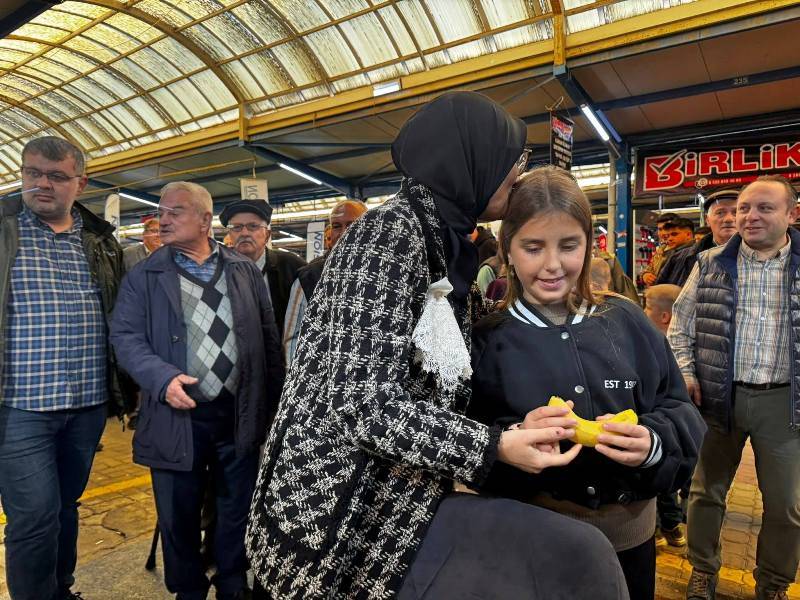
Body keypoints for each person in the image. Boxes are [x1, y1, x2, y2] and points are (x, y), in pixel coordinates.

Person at [247, 92, 629, 600]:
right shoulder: (387, 235)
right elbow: (361, 405)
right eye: (511, 157)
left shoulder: (441, 245)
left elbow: (435, 391)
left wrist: (513, 431)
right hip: (336, 511)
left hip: (396, 499)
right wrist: (492, 446)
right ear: (470, 159)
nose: (519, 171)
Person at [468, 166, 706, 600]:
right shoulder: (487, 340)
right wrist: (514, 437)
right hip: (534, 542)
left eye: (569, 245)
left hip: (630, 543)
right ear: (508, 250)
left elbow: (678, 408)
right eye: (533, 247)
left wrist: (653, 443)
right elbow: (471, 441)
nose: (553, 264)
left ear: (589, 245)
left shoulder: (628, 320)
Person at [110, 181, 284, 600]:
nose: (163, 220)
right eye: (161, 212)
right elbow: (124, 336)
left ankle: (232, 581)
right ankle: (188, 589)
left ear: (205, 220)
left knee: (235, 506)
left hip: (237, 413)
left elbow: (267, 337)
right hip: (177, 415)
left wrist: (275, 404)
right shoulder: (145, 276)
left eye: (176, 212)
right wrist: (161, 378)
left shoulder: (242, 270)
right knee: (179, 513)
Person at [0, 136, 135, 600]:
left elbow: (118, 315)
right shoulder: (4, 230)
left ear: (81, 182)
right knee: (33, 516)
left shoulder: (101, 242)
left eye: (56, 176)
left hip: (86, 404)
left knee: (65, 506)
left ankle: (61, 589)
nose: (42, 184)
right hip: (20, 406)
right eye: (33, 173)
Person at [668, 175, 800, 600]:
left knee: (785, 504)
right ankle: (703, 569)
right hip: (717, 397)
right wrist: (687, 374)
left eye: (765, 208)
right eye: (744, 208)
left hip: (783, 400)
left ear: (791, 214)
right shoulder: (710, 263)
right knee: (705, 492)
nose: (749, 216)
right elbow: (680, 327)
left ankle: (773, 583)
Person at [282, 199, 368, 364]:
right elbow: (293, 338)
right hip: (325, 375)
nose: (344, 232)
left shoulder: (387, 272)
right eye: (336, 226)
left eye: (353, 224)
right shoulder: (309, 277)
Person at [644, 284, 689, 548]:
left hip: (661, 427)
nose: (643, 312)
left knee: (661, 477)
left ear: (664, 316)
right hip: (675, 432)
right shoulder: (687, 348)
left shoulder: (654, 347)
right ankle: (672, 525)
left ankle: (662, 527)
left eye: (647, 307)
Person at [219, 198, 305, 334]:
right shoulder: (219, 271)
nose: (244, 233)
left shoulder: (292, 266)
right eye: (236, 227)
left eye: (253, 226)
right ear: (230, 235)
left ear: (267, 235)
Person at [656, 190, 738, 287]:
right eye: (720, 213)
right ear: (707, 220)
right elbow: (658, 293)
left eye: (736, 212)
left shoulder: (754, 258)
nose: (729, 219)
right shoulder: (679, 259)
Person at [641, 212, 679, 286]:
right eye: (660, 229)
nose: (663, 233)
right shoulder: (661, 249)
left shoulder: (682, 250)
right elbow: (649, 268)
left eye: (666, 228)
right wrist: (645, 275)